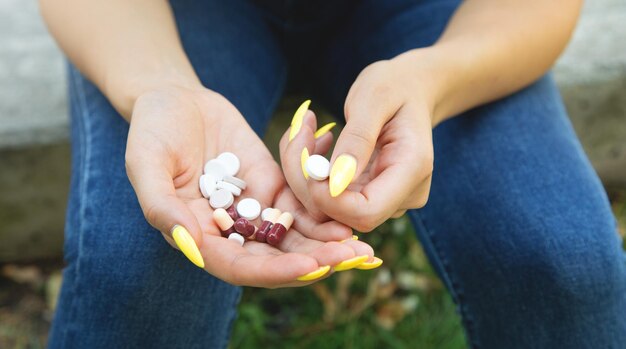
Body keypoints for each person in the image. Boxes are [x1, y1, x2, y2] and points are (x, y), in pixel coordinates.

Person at [41, 0, 625, 348]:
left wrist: (434, 80)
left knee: (565, 259)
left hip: (432, 16)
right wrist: (158, 85)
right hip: (175, 18)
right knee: (138, 260)